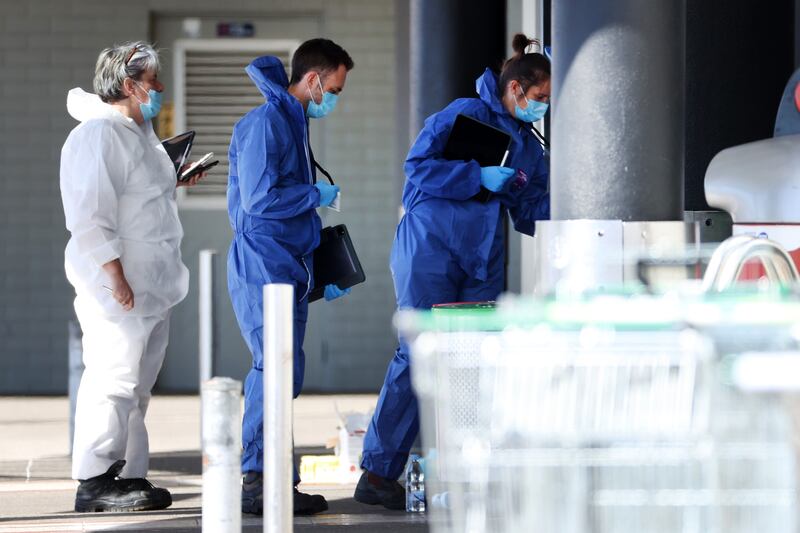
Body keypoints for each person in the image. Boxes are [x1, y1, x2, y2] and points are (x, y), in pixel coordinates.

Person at [354, 33, 551, 509]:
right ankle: (378, 473)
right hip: (430, 247)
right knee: (418, 351)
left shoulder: (528, 144)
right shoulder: (463, 114)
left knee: (474, 360)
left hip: (481, 254)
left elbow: (534, 206)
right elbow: (417, 166)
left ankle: (466, 472)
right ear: (516, 89)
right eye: (540, 98)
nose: (542, 108)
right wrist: (474, 175)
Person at [60, 41, 204, 512]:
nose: (159, 88)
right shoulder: (98, 135)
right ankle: (94, 480)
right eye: (153, 80)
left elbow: (136, 196)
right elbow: (89, 216)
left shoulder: (133, 132)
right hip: (118, 286)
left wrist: (174, 178)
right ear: (128, 84)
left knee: (137, 385)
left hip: (150, 285)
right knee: (114, 378)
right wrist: (116, 276)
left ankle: (127, 472)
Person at [227, 38, 354, 516]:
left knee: (285, 372)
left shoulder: (291, 124)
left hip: (284, 266)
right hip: (263, 264)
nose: (335, 98)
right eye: (335, 88)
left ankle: (274, 477)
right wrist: (314, 196)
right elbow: (260, 203)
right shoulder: (265, 124)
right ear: (313, 80)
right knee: (271, 371)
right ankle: (259, 481)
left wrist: (318, 275)